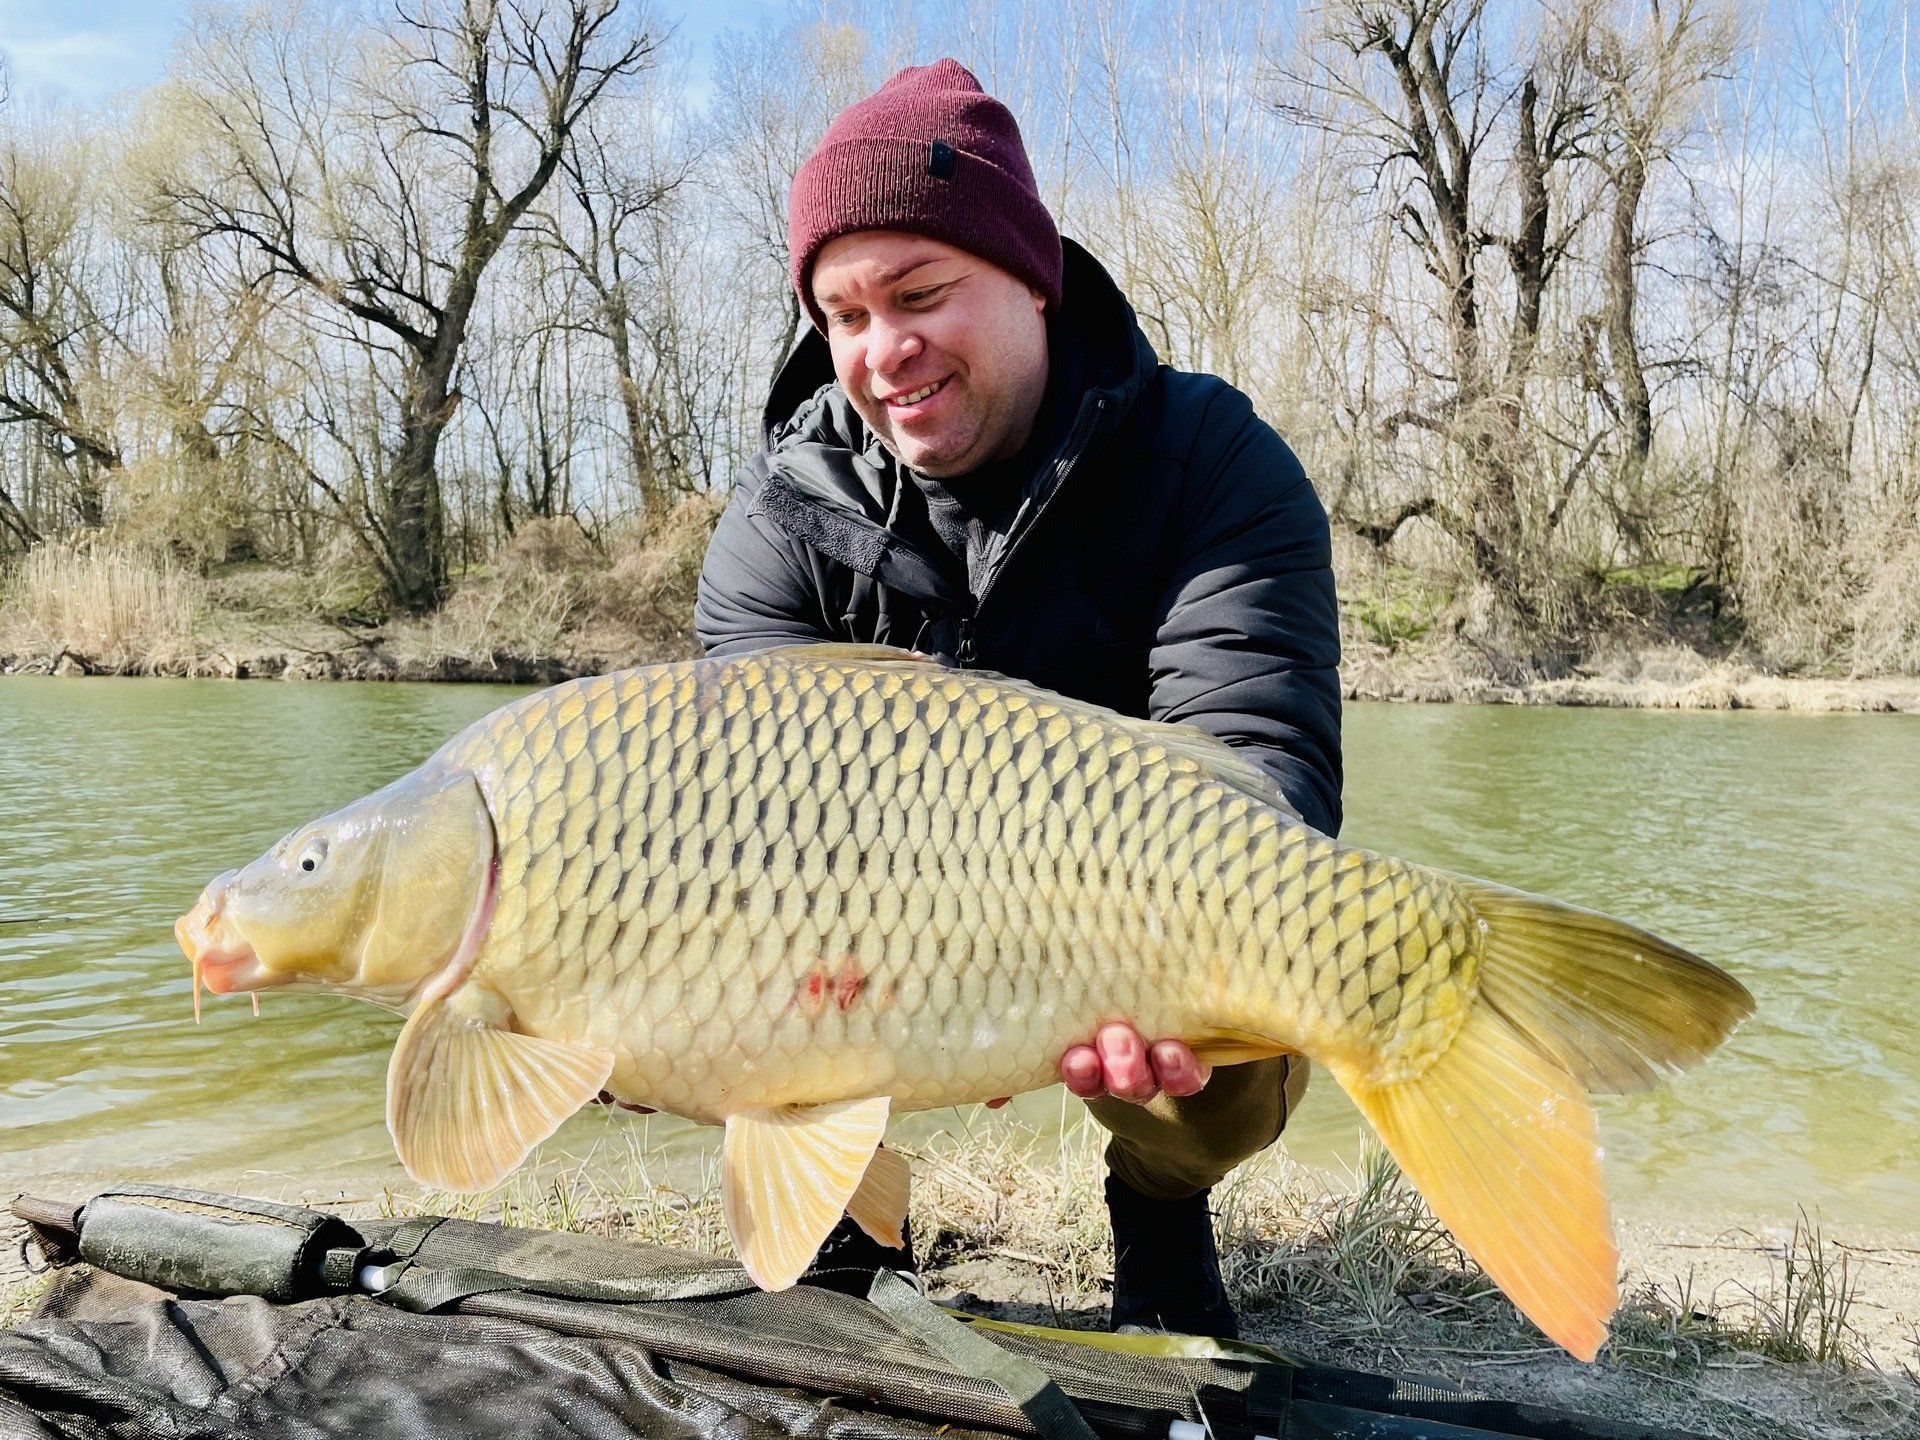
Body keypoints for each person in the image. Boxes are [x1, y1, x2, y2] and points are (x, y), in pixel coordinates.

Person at [694, 58, 1341, 1338]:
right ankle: (852, 1226)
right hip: (859, 951)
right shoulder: (783, 515)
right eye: (845, 314)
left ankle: (1159, 1208)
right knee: (688, 957)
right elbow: (735, 835)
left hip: (1131, 941)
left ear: (1033, 276)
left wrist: (1062, 962)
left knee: (1253, 1011)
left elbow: (1263, 786)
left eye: (921, 294)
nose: (885, 352)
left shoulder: (1215, 467)